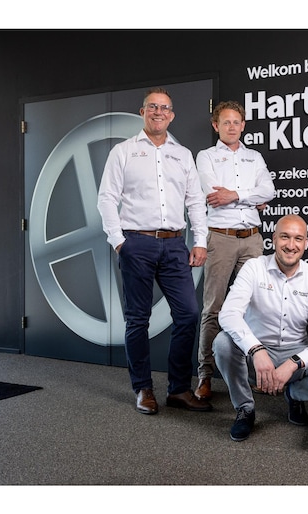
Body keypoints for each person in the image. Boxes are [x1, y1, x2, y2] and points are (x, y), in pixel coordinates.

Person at [97, 86, 212, 415]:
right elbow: (107, 198)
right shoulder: (123, 151)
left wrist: (200, 241)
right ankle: (143, 388)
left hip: (175, 244)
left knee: (188, 314)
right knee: (138, 320)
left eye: (164, 108)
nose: (159, 112)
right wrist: (119, 241)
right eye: (153, 107)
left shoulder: (183, 154)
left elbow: (195, 201)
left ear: (172, 115)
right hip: (137, 243)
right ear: (143, 112)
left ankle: (178, 389)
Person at [214, 214, 308, 441]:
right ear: (274, 239)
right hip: (256, 354)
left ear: (306, 243)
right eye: (285, 237)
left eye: (298, 239)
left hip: (295, 351)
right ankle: (245, 408)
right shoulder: (253, 268)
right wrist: (256, 349)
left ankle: (294, 395)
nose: (291, 245)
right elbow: (229, 314)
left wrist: (294, 363)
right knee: (222, 343)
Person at [194, 100, 275, 401]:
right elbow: (213, 194)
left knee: (256, 307)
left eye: (236, 122)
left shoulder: (254, 157)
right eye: (226, 122)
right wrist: (252, 197)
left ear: (243, 125)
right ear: (216, 125)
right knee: (214, 308)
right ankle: (205, 375)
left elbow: (269, 191)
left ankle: (256, 373)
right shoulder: (206, 157)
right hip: (221, 238)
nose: (232, 127)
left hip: (252, 238)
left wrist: (236, 194)